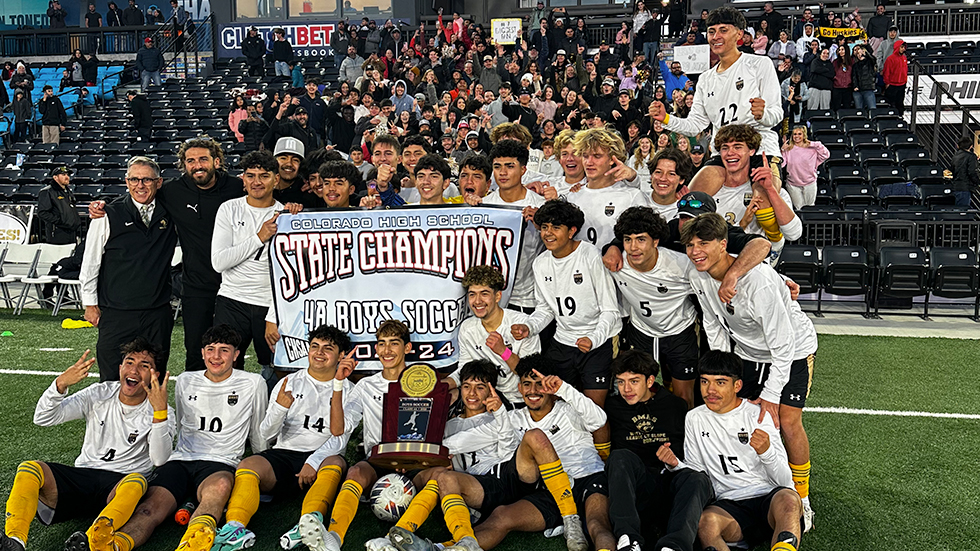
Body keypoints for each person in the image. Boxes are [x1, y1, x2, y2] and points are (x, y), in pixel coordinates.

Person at [681, 213, 817, 531]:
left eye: (704, 243)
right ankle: (751, 485)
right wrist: (722, 372)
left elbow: (783, 347)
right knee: (742, 418)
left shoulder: (761, 282)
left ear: (724, 244)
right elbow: (714, 322)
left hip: (792, 351)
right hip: (747, 353)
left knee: (786, 420)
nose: (695, 250)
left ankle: (802, 499)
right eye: (690, 244)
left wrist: (770, 395)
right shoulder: (698, 275)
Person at [382, 356, 590, 551]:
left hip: (504, 478)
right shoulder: (447, 424)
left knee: (535, 436)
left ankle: (570, 518)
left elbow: (503, 447)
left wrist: (424, 454)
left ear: (490, 391)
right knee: (442, 476)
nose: (472, 394)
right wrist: (414, 458)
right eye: (467, 387)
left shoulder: (498, 418)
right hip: (477, 487)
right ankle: (437, 538)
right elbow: (436, 449)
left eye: (479, 388)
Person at [105, 326, 268, 551]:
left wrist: (259, 467)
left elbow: (257, 429)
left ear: (236, 355)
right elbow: (182, 424)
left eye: (224, 350)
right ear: (202, 353)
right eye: (211, 349)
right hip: (181, 459)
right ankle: (115, 545)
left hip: (221, 462)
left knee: (217, 491)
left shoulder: (253, 382)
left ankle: (191, 546)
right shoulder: (185, 380)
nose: (216, 357)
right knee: (149, 508)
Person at [1, 341, 173, 551]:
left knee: (136, 481)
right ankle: (15, 541)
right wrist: (60, 384)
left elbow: (159, 459)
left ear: (154, 375)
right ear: (120, 368)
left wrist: (160, 414)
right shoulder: (99, 393)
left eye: (144, 365)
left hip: (121, 484)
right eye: (129, 362)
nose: (134, 370)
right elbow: (43, 418)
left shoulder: (162, 411)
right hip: (83, 475)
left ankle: (90, 542)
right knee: (30, 468)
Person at [215, 325, 355, 551]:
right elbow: (266, 434)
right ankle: (234, 527)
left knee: (336, 461)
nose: (319, 353)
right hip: (285, 455)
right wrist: (280, 408)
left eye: (327, 348)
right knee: (249, 464)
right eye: (314, 346)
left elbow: (340, 440)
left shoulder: (348, 390)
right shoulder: (288, 382)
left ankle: (309, 525)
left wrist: (313, 461)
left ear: (340, 356)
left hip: (322, 460)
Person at [659, 351, 803, 551]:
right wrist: (676, 465)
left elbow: (785, 481)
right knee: (705, 523)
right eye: (704, 382)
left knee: (789, 500)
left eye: (720, 382)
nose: (710, 390)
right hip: (730, 505)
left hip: (769, 500)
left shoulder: (758, 415)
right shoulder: (694, 418)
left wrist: (767, 452)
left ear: (737, 386)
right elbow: (698, 471)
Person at [512, 200, 621, 460]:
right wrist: (529, 326)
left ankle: (600, 462)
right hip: (562, 342)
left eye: (555, 227)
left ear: (572, 231)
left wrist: (593, 338)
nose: (548, 233)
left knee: (593, 410)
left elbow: (610, 310)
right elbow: (545, 309)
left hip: (597, 342)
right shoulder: (540, 263)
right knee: (559, 406)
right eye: (544, 227)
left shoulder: (590, 256)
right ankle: (567, 457)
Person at [298, 320, 415, 551]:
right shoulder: (365, 385)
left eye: (394, 343)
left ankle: (397, 539)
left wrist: (410, 456)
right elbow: (338, 429)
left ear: (407, 348)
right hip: (378, 458)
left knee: (437, 477)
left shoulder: (421, 381)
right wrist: (339, 382)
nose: (387, 350)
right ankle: (333, 538)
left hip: (412, 460)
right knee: (355, 472)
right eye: (381, 344)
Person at [651, 7, 784, 198]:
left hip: (761, 147)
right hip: (723, 152)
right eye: (711, 31)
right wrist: (665, 118)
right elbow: (695, 124)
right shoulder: (705, 78)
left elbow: (776, 114)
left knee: (764, 202)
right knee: (690, 203)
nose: (715, 36)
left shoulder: (759, 64)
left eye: (723, 30)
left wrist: (763, 114)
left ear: (739, 33)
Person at [80, 157, 177, 382]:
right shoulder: (107, 214)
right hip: (116, 312)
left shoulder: (171, 212)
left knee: (154, 377)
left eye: (146, 180)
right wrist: (90, 304)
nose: (140, 185)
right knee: (112, 377)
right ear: (126, 181)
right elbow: (91, 262)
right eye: (134, 179)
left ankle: (155, 418)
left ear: (159, 182)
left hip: (157, 312)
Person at [605, 350, 713, 551]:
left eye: (634, 381)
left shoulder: (675, 406)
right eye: (620, 382)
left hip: (670, 483)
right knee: (619, 457)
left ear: (650, 380)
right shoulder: (612, 406)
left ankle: (674, 547)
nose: (626, 389)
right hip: (636, 489)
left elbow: (693, 455)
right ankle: (629, 540)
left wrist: (675, 463)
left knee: (697, 478)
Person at [609, 206, 700, 407]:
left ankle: (682, 437)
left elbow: (712, 280)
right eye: (627, 240)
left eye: (641, 239)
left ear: (655, 241)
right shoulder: (616, 263)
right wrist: (611, 248)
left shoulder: (681, 265)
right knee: (639, 393)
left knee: (683, 398)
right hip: (641, 331)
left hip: (679, 331)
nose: (633, 247)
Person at [211, 150, 283, 381]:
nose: (256, 182)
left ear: (276, 179)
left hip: (270, 304)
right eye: (250, 175)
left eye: (263, 175)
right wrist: (259, 237)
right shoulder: (229, 208)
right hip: (232, 299)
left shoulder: (285, 215)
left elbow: (286, 274)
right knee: (225, 365)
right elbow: (219, 262)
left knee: (275, 368)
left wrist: (274, 312)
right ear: (243, 179)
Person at [450, 265, 542, 404]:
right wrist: (440, 385)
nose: (477, 301)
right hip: (486, 398)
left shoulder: (522, 324)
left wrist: (503, 351)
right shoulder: (467, 327)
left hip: (520, 400)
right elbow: (465, 371)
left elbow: (531, 374)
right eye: (472, 294)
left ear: (498, 296)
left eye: (484, 293)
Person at [565, 128, 647, 249]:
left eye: (597, 156)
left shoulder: (631, 196)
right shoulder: (572, 196)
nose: (589, 162)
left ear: (612, 159)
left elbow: (643, 239)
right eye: (585, 156)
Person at [781, 126, 829, 210]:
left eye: (799, 134)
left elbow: (826, 155)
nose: (797, 136)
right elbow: (782, 164)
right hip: (793, 184)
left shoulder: (812, 148)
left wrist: (813, 144)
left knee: (810, 207)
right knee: (798, 208)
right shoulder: (789, 149)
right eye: (795, 134)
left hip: (810, 183)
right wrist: (782, 150)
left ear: (804, 135)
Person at [37, 166, 81, 245]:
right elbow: (42, 212)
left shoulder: (67, 191)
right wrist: (60, 222)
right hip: (57, 233)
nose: (67, 177)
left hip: (71, 231)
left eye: (67, 175)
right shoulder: (47, 192)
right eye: (63, 175)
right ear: (55, 177)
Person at [951, 135, 980, 207]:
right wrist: (977, 182)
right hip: (965, 187)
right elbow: (972, 172)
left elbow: (952, 170)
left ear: (958, 146)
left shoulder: (955, 156)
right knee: (963, 211)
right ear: (971, 146)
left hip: (955, 186)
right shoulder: (971, 156)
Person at [882, 40, 908, 116]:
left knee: (900, 103)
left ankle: (900, 117)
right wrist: (887, 83)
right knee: (891, 104)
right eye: (902, 47)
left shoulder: (904, 58)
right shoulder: (890, 59)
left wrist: (905, 81)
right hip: (892, 85)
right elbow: (886, 72)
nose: (903, 49)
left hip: (901, 85)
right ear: (897, 47)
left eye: (904, 47)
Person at [851, 44, 878, 110]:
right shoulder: (855, 65)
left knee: (872, 109)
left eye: (861, 52)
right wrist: (855, 86)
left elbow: (873, 59)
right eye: (858, 53)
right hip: (858, 91)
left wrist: (866, 53)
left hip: (868, 89)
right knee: (859, 110)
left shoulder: (869, 62)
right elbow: (854, 77)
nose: (859, 54)